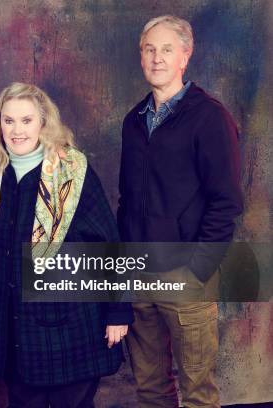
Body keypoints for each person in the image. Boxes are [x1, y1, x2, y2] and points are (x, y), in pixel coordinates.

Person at [0, 82, 133, 407]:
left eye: (27, 120)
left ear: (43, 123)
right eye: (8, 120)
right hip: (14, 328)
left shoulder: (72, 171)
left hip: (71, 324)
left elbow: (107, 244)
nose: (17, 130)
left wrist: (118, 311)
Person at [118, 15, 243, 408]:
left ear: (185, 57)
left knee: (197, 393)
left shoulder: (209, 117)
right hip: (140, 273)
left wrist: (199, 269)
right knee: (151, 389)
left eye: (167, 49)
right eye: (149, 49)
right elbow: (127, 198)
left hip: (187, 275)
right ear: (141, 56)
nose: (157, 58)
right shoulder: (133, 121)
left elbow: (226, 202)